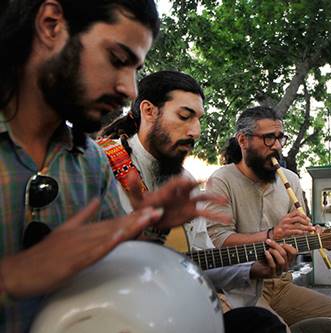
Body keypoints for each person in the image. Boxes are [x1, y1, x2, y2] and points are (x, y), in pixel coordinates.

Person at [0, 2, 226, 331]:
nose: (129, 89)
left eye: (135, 69)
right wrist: (13, 275)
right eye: (117, 60)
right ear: (51, 26)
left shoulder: (92, 162)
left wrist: (152, 226)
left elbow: (113, 278)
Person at [100, 70, 287, 333]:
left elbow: (201, 262)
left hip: (174, 315)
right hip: (116, 317)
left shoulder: (185, 181)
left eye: (198, 120)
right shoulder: (101, 167)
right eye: (185, 117)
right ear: (148, 111)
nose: (196, 131)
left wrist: (254, 268)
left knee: (262, 324)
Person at [205, 106, 331, 332]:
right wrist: (271, 235)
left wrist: (313, 236)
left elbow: (297, 233)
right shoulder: (221, 179)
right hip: (238, 287)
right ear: (243, 140)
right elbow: (217, 241)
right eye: (269, 138)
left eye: (280, 137)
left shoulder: (291, 179)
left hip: (280, 284)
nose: (278, 146)